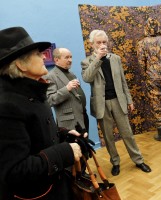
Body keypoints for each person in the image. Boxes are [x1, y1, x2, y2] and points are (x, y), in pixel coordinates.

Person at [0, 27, 84, 199]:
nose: (44, 56)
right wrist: (64, 152)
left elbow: (35, 133)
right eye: (38, 54)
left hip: (55, 186)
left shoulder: (33, 91)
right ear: (20, 64)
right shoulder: (6, 106)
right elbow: (15, 170)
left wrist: (64, 134)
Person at [81, 29, 151, 176]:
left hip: (118, 101)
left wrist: (129, 100)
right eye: (98, 42)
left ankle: (138, 160)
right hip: (102, 104)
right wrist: (98, 59)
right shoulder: (86, 62)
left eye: (104, 42)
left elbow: (123, 82)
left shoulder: (115, 58)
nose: (102, 45)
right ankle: (115, 162)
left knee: (127, 133)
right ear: (92, 44)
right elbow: (87, 78)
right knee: (108, 137)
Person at [44, 47, 90, 177]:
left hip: (81, 115)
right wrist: (67, 88)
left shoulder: (72, 74)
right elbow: (50, 99)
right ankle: (74, 177)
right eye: (66, 57)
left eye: (71, 57)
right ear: (57, 59)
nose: (70, 60)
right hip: (69, 121)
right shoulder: (51, 76)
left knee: (84, 146)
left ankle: (83, 172)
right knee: (73, 150)